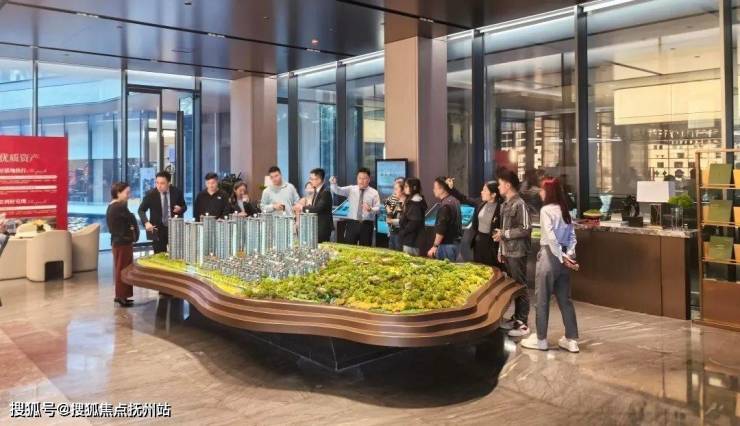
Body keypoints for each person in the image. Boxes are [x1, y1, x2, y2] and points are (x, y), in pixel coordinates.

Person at [521, 178, 580, 353]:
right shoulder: (564, 210)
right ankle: (571, 340)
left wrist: (561, 256)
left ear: (548, 192)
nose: (540, 192)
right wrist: (568, 255)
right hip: (564, 259)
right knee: (565, 300)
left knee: (542, 299)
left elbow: (551, 237)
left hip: (549, 257)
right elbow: (572, 237)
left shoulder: (545, 210)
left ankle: (541, 340)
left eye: (542, 189)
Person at [494, 168, 533, 337]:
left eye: (500, 184)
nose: (498, 187)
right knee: (513, 287)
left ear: (508, 185)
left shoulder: (519, 204)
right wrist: (501, 249)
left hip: (517, 252)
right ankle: (517, 318)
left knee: (520, 286)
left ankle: (522, 322)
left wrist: (505, 234)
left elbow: (526, 229)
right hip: (508, 251)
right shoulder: (506, 204)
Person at [448, 178, 503, 268]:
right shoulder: (481, 202)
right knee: (479, 266)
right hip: (479, 241)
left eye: (485, 190)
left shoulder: (502, 207)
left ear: (493, 194)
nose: (481, 192)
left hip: (492, 243)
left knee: (492, 267)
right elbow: (464, 199)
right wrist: (452, 188)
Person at [106, 182, 139, 308]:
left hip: (118, 242)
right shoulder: (119, 207)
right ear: (118, 193)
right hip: (122, 243)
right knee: (123, 269)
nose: (128, 195)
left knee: (120, 268)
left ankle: (121, 295)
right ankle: (121, 296)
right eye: (127, 193)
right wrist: (131, 231)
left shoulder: (112, 206)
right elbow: (130, 219)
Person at [137, 171, 186, 253]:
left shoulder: (177, 192)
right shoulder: (150, 194)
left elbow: (184, 206)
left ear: (169, 183)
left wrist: (180, 209)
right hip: (157, 229)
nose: (159, 186)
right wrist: (146, 223)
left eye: (162, 183)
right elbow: (141, 210)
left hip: (174, 228)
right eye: (157, 183)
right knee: (159, 254)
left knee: (176, 253)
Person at [330, 168, 381, 246]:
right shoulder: (351, 189)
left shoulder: (374, 192)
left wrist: (370, 209)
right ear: (357, 178)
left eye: (364, 178)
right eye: (359, 178)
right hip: (352, 223)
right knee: (349, 246)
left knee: (365, 248)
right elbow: (337, 190)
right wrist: (334, 184)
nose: (361, 181)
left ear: (369, 179)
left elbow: (378, 208)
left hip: (367, 224)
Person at [427, 177, 462, 262]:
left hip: (446, 246)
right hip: (455, 244)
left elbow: (441, 228)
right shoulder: (455, 200)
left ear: (442, 189)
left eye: (435, 188)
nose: (433, 190)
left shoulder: (445, 205)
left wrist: (435, 246)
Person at [295, 168, 333, 243]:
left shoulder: (325, 192)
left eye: (312, 179)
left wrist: (302, 207)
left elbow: (317, 209)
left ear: (319, 180)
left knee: (321, 248)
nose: (310, 181)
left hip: (322, 228)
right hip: (316, 227)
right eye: (310, 179)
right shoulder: (317, 191)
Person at [398, 178, 427, 256]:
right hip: (412, 240)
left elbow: (414, 222)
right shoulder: (414, 200)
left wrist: (403, 232)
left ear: (414, 187)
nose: (405, 188)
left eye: (407, 186)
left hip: (411, 241)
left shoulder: (415, 202)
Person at [385, 178, 406, 251]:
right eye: (394, 189)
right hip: (393, 233)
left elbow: (403, 220)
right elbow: (391, 215)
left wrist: (391, 221)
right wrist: (389, 212)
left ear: (403, 190)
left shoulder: (407, 203)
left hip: (401, 234)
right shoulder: (396, 202)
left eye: (396, 189)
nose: (394, 192)